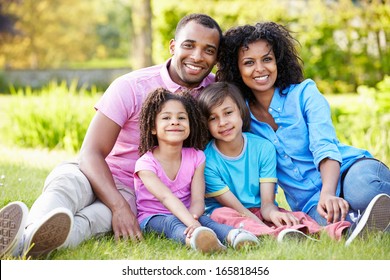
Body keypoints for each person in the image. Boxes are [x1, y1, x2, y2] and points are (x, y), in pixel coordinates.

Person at [0, 13, 224, 259]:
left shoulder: (213, 97)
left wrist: (122, 206)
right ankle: (27, 236)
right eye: (189, 45)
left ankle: (24, 247)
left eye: (208, 50)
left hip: (131, 189)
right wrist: (118, 206)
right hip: (93, 171)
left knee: (93, 221)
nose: (197, 56)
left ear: (216, 58)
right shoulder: (130, 86)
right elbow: (90, 153)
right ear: (172, 46)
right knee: (64, 187)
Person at [215, 22, 390, 246]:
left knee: (364, 193)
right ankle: (366, 224)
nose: (260, 69)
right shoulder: (240, 117)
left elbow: (324, 146)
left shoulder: (305, 93)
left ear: (278, 61)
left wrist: (328, 193)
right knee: (331, 225)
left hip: (349, 170)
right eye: (249, 63)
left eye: (267, 59)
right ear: (236, 69)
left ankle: (366, 216)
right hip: (308, 201)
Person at [197, 81, 350, 242]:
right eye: (213, 118)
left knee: (292, 216)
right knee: (223, 215)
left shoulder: (263, 148)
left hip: (259, 210)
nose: (222, 122)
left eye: (228, 113)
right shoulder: (206, 160)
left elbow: (267, 205)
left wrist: (273, 215)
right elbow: (238, 209)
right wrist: (264, 226)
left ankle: (335, 232)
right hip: (229, 213)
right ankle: (274, 235)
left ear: (241, 112)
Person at [134, 88, 258, 253]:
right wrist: (191, 223)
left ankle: (234, 236)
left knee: (207, 221)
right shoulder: (145, 164)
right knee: (171, 223)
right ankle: (196, 239)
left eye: (181, 118)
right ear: (153, 128)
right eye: (166, 118)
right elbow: (166, 198)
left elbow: (198, 200)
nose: (175, 122)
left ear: (190, 125)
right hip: (154, 217)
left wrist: (194, 216)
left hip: (188, 212)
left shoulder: (197, 157)